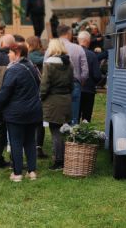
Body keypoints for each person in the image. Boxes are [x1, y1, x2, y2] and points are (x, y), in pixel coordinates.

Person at [0, 44, 42, 182]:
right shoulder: (32, 66)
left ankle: (17, 173)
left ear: (17, 53)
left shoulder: (14, 70)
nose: (8, 55)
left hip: (16, 112)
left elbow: (5, 92)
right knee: (30, 141)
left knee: (16, 142)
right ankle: (32, 171)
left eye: (10, 52)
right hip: (33, 110)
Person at [45, 25, 88, 125]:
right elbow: (85, 72)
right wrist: (80, 82)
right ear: (69, 34)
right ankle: (72, 139)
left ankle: (59, 138)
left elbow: (45, 69)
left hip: (55, 86)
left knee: (57, 118)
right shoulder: (78, 49)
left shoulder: (50, 50)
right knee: (73, 118)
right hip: (74, 84)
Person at [41, 39, 74, 170]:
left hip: (53, 101)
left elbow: (44, 85)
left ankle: (59, 161)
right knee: (63, 130)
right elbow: (72, 83)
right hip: (66, 99)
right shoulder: (69, 63)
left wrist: (41, 97)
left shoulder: (49, 64)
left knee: (55, 131)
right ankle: (66, 158)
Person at [0, 34, 16, 169]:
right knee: (13, 128)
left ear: (1, 44)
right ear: (13, 45)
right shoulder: (13, 57)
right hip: (11, 97)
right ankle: (14, 159)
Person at [26, 36, 48, 158]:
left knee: (35, 120)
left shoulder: (32, 55)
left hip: (35, 89)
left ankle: (34, 145)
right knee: (39, 120)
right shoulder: (42, 54)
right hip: (42, 88)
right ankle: (38, 146)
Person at [77, 31, 102, 122]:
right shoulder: (92, 55)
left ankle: (72, 135)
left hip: (74, 89)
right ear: (88, 41)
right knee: (86, 119)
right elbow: (97, 75)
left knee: (74, 118)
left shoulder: (71, 53)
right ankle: (84, 135)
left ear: (78, 40)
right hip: (88, 90)